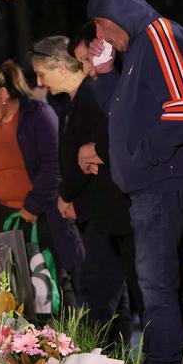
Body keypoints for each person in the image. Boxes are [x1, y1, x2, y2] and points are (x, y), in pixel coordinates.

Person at [86, 0, 183, 364]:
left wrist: (144, 158)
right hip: (149, 184)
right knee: (154, 281)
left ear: (120, 12)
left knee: (154, 284)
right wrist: (104, 73)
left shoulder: (160, 36)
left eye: (101, 24)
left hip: (163, 182)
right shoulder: (138, 48)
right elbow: (120, 112)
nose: (99, 36)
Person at [30, 35, 142, 345]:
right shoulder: (73, 101)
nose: (39, 81)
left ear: (61, 67)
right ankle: (112, 363)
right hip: (93, 209)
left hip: (106, 210)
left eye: (42, 73)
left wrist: (68, 194)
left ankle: (105, 362)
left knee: (102, 292)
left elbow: (93, 158)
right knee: (107, 293)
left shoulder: (91, 98)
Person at [0, 60, 84, 308]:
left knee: (52, 280)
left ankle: (71, 340)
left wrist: (32, 205)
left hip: (42, 216)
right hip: (6, 218)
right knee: (17, 286)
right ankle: (32, 344)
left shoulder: (38, 116)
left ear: (3, 94)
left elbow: (54, 165)